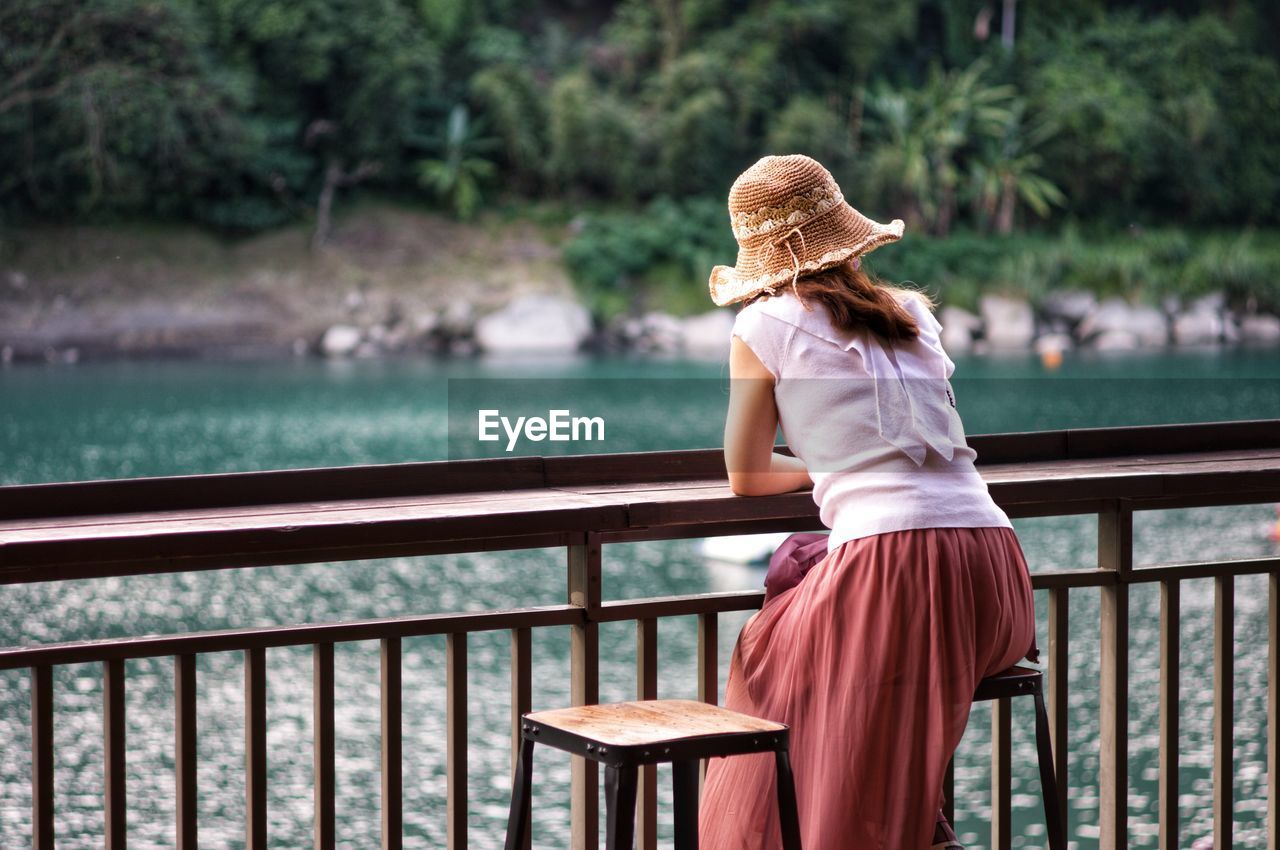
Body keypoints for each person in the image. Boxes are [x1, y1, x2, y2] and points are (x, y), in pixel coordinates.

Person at [698, 154, 1037, 850]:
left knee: (770, 662)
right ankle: (920, 824)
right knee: (835, 651)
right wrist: (843, 468)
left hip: (903, 568)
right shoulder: (910, 313)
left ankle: (854, 832)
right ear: (846, 234)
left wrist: (825, 470)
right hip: (997, 575)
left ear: (757, 256)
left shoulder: (761, 327)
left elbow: (746, 473)